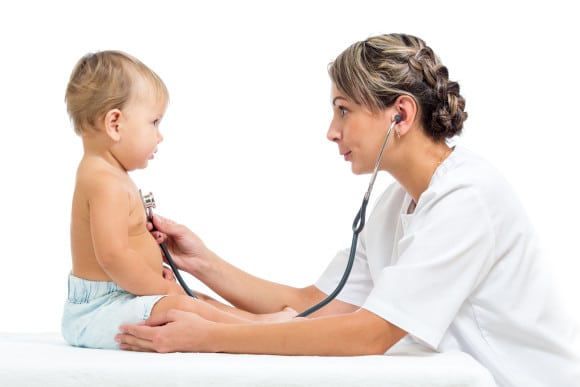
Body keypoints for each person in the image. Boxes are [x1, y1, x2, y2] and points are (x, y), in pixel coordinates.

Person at [115, 34, 579, 386]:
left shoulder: (468, 199)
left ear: (401, 114)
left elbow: (368, 335)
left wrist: (210, 338)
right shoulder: (397, 201)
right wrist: (203, 263)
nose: (331, 131)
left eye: (343, 111)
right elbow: (315, 306)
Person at [62, 50, 293, 350]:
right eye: (154, 122)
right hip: (96, 313)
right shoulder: (104, 180)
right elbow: (113, 257)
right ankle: (261, 328)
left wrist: (153, 274)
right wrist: (158, 288)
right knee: (182, 305)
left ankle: (258, 322)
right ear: (115, 124)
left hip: (119, 298)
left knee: (193, 299)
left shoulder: (110, 174)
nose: (160, 136)